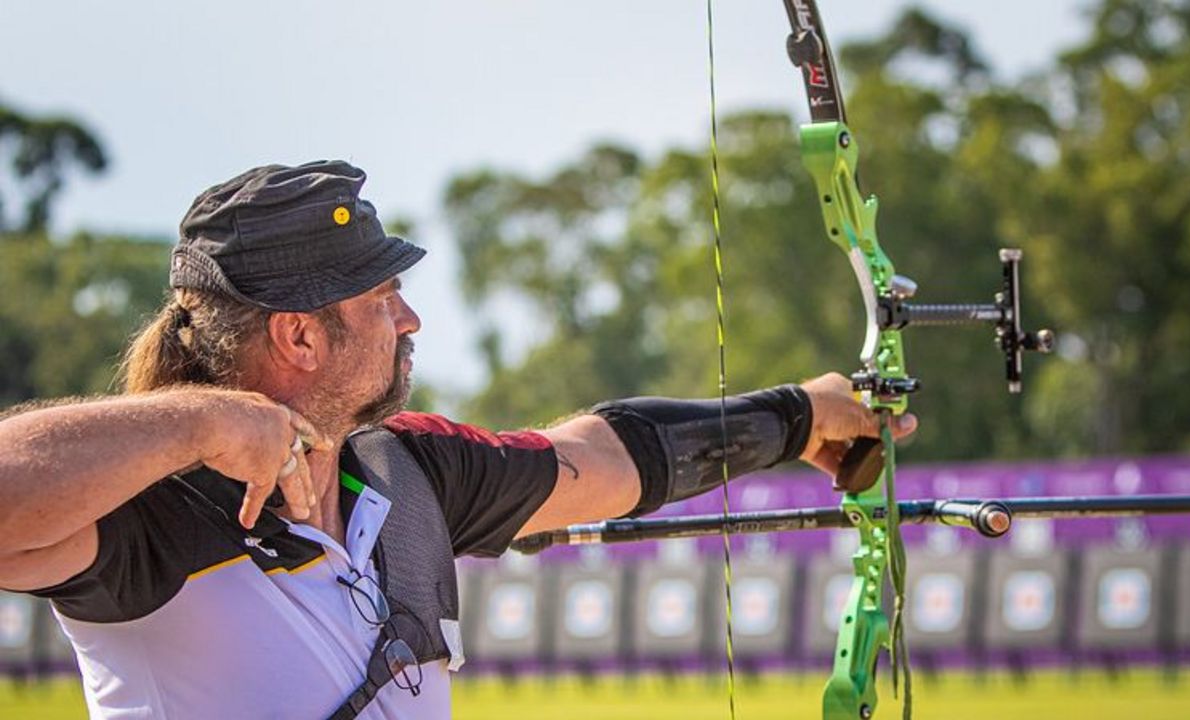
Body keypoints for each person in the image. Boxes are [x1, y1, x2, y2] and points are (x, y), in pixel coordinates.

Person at [0, 160, 916, 719]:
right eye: (379, 301)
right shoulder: (149, 513)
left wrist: (802, 413)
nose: (412, 319)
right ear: (300, 336)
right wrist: (200, 421)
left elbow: (604, 460)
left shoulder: (409, 471)